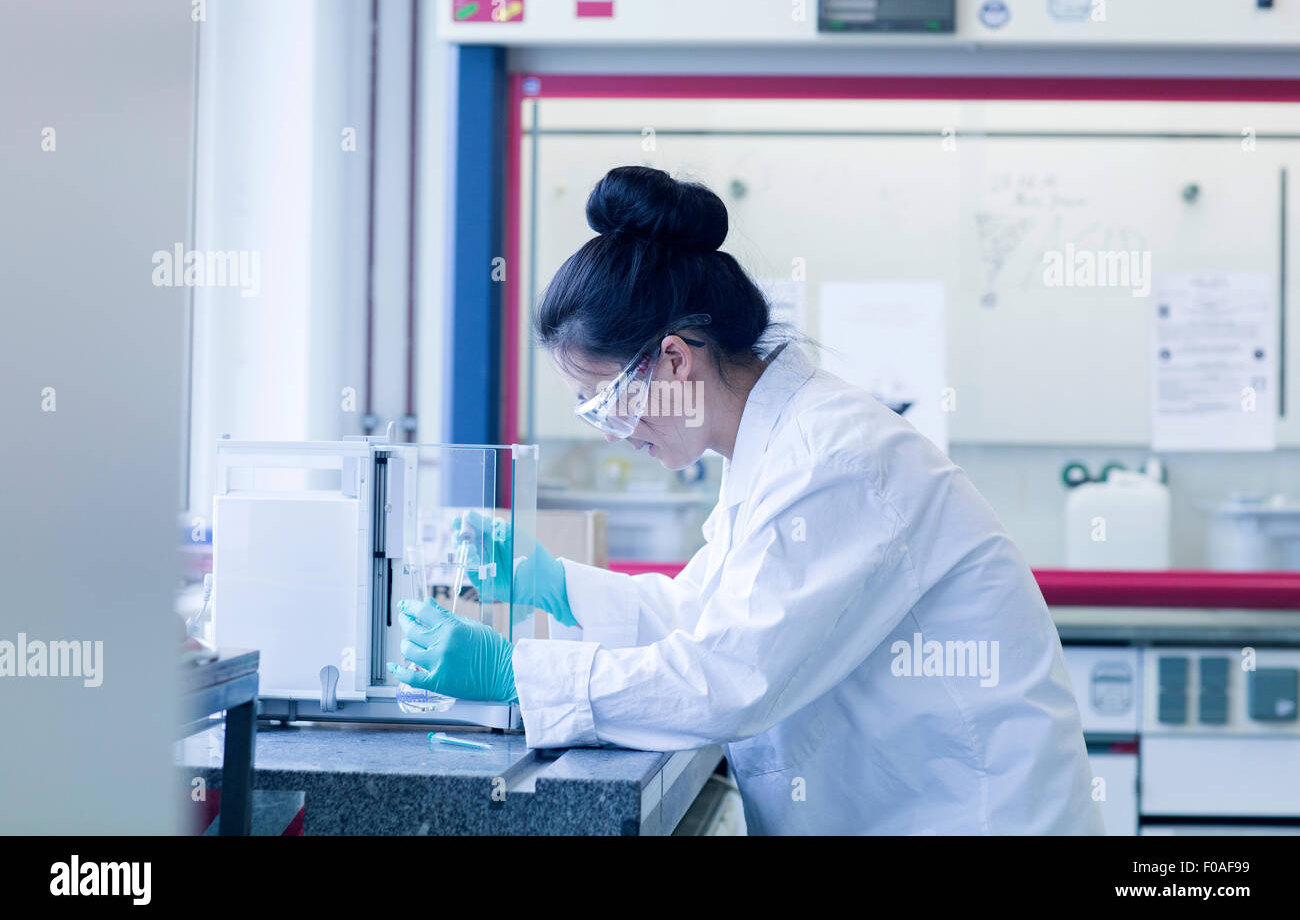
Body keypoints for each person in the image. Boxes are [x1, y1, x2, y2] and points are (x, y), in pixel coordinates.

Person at [392, 166, 1105, 835]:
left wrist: (514, 675)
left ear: (674, 358)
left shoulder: (832, 459)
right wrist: (552, 586)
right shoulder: (776, 446)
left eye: (606, 401)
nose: (615, 432)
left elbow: (729, 681)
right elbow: (706, 620)